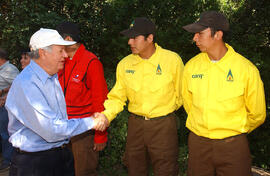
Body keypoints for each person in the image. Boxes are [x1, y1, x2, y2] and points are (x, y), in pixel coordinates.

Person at [5, 28, 105, 176]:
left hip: (58, 155)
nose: (65, 55)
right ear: (43, 53)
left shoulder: (51, 77)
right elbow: (51, 130)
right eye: (60, 51)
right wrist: (92, 122)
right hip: (36, 164)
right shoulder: (27, 84)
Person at [95, 17, 184, 176]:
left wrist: (165, 113)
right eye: (129, 37)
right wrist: (106, 115)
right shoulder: (125, 64)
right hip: (135, 125)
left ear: (149, 38)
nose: (130, 42)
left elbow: (182, 95)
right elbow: (117, 97)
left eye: (134, 37)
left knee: (166, 169)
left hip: (163, 125)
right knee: (134, 167)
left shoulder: (172, 61)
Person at [182, 11, 266, 176]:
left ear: (218, 34)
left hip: (233, 146)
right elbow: (188, 101)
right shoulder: (191, 67)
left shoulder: (246, 69)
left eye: (200, 33)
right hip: (198, 143)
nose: (194, 38)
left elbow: (257, 114)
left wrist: (232, 131)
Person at [56, 22, 108, 176]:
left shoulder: (91, 62)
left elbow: (100, 100)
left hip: (84, 132)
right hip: (63, 129)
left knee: (84, 171)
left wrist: (100, 135)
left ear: (68, 39)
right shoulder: (60, 62)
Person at [0, 48, 19, 172]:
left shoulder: (10, 69)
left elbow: (18, 84)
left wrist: (3, 94)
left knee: (6, 133)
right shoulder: (3, 70)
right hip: (2, 105)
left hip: (6, 107)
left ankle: (9, 160)